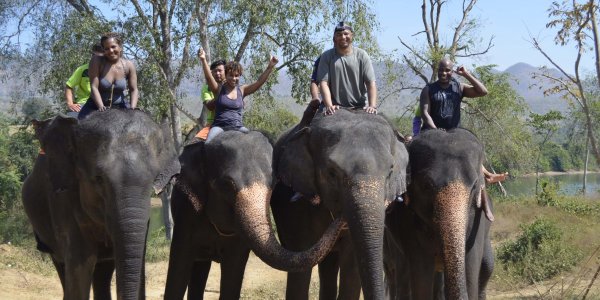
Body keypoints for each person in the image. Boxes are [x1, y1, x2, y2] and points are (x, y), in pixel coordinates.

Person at [420, 57, 508, 217]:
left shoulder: (458, 87)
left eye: (447, 70)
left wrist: (466, 74)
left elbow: (483, 91)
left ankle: (485, 199)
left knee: (472, 155)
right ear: (437, 70)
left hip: (454, 135)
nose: (443, 73)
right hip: (432, 135)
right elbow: (425, 113)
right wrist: (436, 131)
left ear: (452, 71)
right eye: (441, 70)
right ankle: (403, 197)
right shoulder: (429, 89)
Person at [198, 48, 278, 143]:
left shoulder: (242, 90)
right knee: (207, 143)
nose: (234, 78)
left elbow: (259, 82)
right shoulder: (218, 89)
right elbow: (209, 77)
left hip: (238, 127)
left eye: (236, 76)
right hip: (219, 127)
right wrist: (203, 60)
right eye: (231, 75)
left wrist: (270, 66)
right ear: (226, 75)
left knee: (255, 142)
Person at [316, 21, 377, 115]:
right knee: (308, 126)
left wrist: (372, 106)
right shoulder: (326, 56)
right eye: (339, 34)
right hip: (334, 106)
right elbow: (324, 83)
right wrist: (329, 105)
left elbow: (370, 83)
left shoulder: (362, 55)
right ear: (335, 38)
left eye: (346, 34)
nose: (343, 37)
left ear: (352, 35)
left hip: (359, 106)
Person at [78, 32, 138, 119]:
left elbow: (134, 89)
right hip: (95, 107)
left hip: (120, 107)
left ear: (120, 47)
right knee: (80, 128)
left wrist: (132, 108)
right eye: (106, 48)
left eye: (113, 47)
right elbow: (94, 87)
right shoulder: (97, 61)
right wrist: (101, 108)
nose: (110, 51)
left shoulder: (129, 65)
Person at [64, 44, 105, 118]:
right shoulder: (82, 69)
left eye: (100, 58)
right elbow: (69, 86)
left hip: (104, 104)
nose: (96, 59)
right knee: (70, 121)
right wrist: (70, 103)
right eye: (94, 56)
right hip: (84, 103)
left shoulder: (109, 70)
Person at [195, 59, 227, 140]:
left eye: (220, 71)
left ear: (225, 71)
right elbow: (210, 106)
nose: (217, 73)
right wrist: (220, 93)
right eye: (215, 71)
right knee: (194, 144)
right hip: (213, 123)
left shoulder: (232, 86)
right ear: (211, 73)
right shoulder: (206, 88)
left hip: (231, 122)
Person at [298, 56, 322, 127]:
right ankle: (300, 133)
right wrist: (315, 97)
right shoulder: (322, 58)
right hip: (325, 97)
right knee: (307, 115)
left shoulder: (355, 55)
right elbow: (314, 81)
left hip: (351, 97)